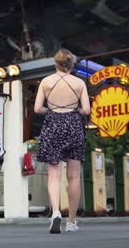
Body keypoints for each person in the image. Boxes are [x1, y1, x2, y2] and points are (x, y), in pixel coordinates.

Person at [34, 49, 90, 234]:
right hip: (74, 125)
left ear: (55, 63)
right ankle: (72, 222)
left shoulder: (46, 82)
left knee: (53, 175)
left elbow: (37, 108)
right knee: (73, 176)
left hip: (53, 125)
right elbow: (87, 110)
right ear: (71, 64)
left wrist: (51, 110)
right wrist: (76, 111)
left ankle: (56, 212)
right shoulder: (79, 83)